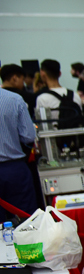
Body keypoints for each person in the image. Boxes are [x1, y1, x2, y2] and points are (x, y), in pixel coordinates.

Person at [0, 88, 37, 221]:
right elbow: (28, 136)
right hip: (13, 169)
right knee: (26, 222)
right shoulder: (14, 99)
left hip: (13, 169)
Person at [35, 59, 82, 127]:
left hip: (55, 136)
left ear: (42, 73)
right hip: (75, 136)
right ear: (60, 74)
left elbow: (43, 126)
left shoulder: (42, 98)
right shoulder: (75, 95)